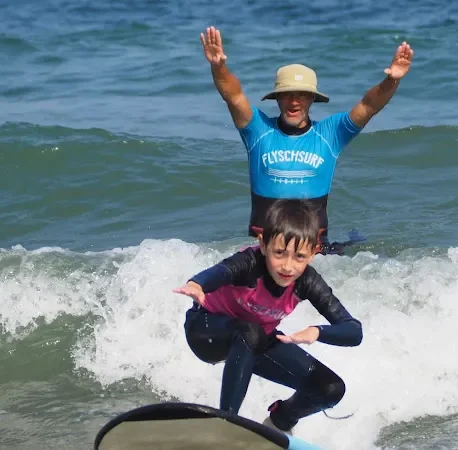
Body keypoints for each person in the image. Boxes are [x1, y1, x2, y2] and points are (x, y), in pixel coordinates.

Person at [200, 26, 414, 253]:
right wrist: (218, 67)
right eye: (287, 94)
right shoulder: (258, 130)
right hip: (264, 250)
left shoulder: (330, 134)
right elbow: (234, 97)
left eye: (302, 94)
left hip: (314, 252)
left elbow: (368, 106)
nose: (294, 101)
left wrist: (391, 81)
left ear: (312, 98)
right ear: (277, 98)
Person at [173, 199, 363, 433]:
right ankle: (227, 424)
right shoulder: (250, 263)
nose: (288, 266)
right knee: (250, 332)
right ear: (263, 245)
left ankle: (280, 422)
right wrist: (197, 283)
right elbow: (221, 272)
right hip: (206, 331)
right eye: (279, 253)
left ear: (313, 253)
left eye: (299, 257)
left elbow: (353, 330)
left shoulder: (307, 281)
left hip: (251, 342)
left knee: (329, 388)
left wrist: (318, 331)